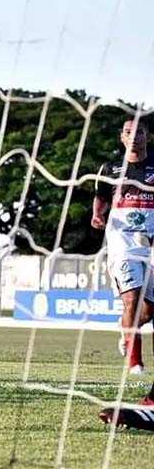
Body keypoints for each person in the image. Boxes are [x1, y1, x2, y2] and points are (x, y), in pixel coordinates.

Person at [92, 119, 154, 375]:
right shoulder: (110, 168)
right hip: (122, 244)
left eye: (139, 132)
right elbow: (101, 198)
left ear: (146, 136)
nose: (134, 136)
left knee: (148, 310)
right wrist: (97, 215)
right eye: (129, 132)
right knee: (131, 299)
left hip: (151, 245)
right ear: (122, 137)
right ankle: (135, 362)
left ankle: (126, 334)